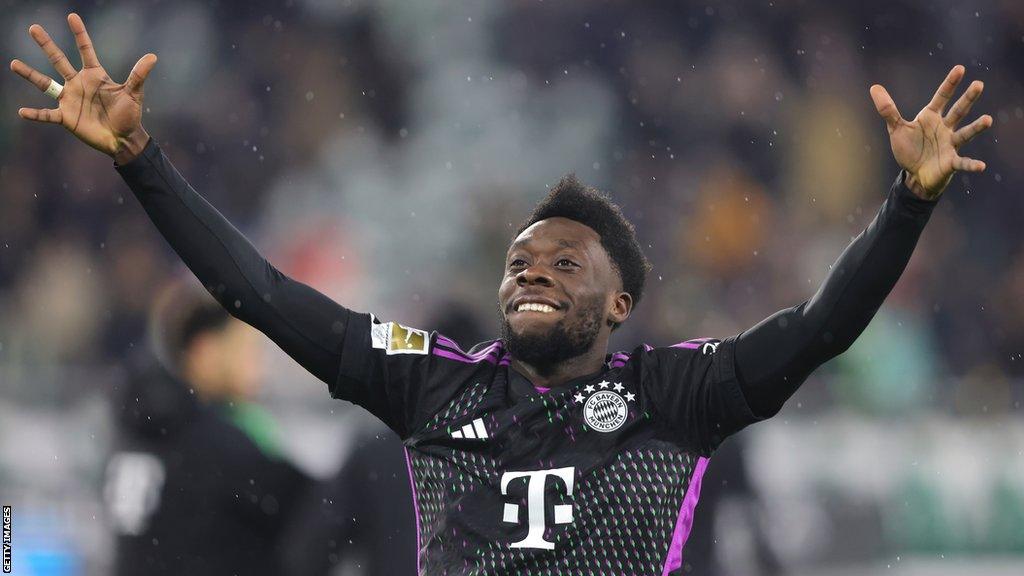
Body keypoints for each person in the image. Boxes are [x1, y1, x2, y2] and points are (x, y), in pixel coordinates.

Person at [11, 13, 993, 575]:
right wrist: (140, 159)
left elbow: (822, 328)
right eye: (521, 259)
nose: (533, 270)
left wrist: (909, 200)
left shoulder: (674, 393)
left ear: (619, 305)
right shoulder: (432, 382)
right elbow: (260, 293)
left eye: (567, 263)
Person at [103, 280, 309, 575]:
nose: (260, 368)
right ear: (206, 352)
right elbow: (308, 508)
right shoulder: (216, 440)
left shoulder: (136, 425)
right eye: (247, 350)